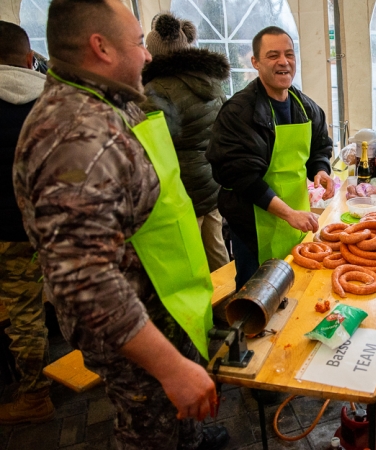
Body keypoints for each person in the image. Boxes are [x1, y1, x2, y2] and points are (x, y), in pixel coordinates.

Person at [14, 1, 228, 448]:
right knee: (149, 431)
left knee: (176, 423)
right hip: (137, 333)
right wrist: (170, 366)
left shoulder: (110, 102)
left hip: (168, 303)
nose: (148, 54)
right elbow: (84, 280)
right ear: (101, 48)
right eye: (137, 43)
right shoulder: (74, 134)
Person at [207, 26, 335, 289]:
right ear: (255, 62)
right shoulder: (239, 113)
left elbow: (319, 147)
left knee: (295, 288)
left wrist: (320, 170)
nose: (283, 62)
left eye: (289, 54)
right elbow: (242, 177)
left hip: (295, 219)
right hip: (254, 225)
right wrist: (288, 214)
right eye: (273, 55)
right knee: (256, 293)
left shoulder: (305, 106)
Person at [140, 12, 230, 272]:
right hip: (212, 178)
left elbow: (152, 145)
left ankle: (206, 309)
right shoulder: (209, 79)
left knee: (189, 259)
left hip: (182, 185)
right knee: (216, 249)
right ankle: (229, 305)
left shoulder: (156, 89)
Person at [0, 20, 54, 424]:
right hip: (63, 224)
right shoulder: (56, 99)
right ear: (29, 55)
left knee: (24, 311)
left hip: (11, 228)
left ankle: (34, 394)